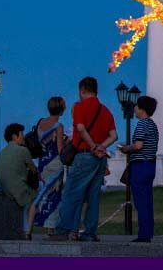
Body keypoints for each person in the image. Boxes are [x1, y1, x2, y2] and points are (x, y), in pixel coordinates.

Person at [51, 76, 118, 242]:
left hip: (84, 155)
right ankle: (89, 232)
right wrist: (101, 147)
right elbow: (114, 136)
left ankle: (63, 230)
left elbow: (80, 128)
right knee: (93, 196)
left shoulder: (80, 107)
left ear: (82, 90)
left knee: (71, 193)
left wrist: (93, 146)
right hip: (100, 159)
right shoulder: (105, 111)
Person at [117, 96, 158, 242]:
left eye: (136, 106)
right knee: (147, 200)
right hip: (150, 165)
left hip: (140, 165)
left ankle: (143, 235)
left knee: (140, 201)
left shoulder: (142, 124)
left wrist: (125, 149)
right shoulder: (152, 124)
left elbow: (138, 145)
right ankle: (148, 232)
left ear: (141, 108)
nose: (134, 109)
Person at [0, 123, 40, 239]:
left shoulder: (2, 152)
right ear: (15, 136)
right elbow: (34, 169)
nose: (23, 137)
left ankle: (23, 229)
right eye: (21, 134)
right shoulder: (23, 150)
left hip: (3, 188)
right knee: (35, 199)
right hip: (16, 188)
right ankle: (27, 232)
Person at [32, 96, 66, 236]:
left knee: (45, 193)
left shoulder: (40, 123)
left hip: (42, 162)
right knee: (55, 195)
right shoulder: (58, 126)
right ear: (61, 109)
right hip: (55, 162)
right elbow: (60, 149)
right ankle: (51, 227)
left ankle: (42, 222)